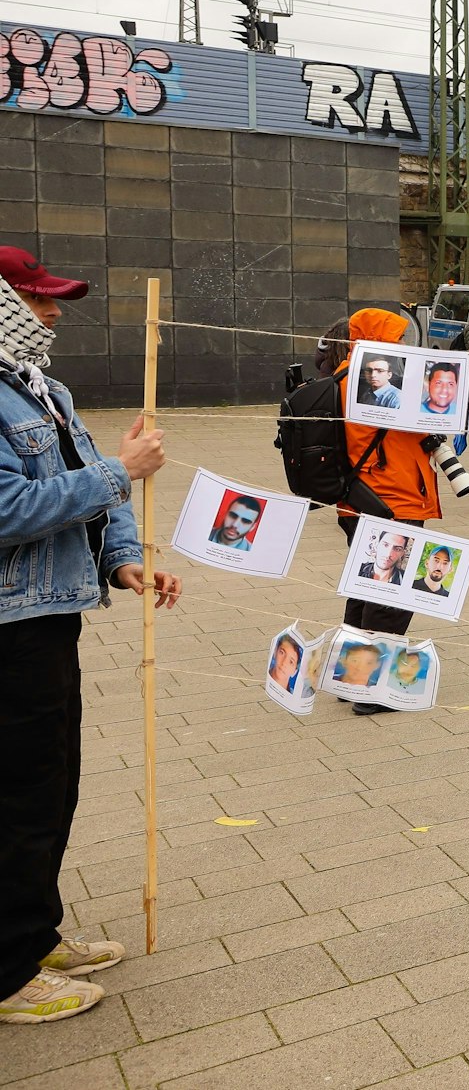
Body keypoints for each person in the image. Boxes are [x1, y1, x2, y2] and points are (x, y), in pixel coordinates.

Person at [0, 250, 181, 1025]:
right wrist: (119, 468)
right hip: (8, 629)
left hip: (50, 617)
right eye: (40, 301)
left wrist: (126, 561)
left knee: (53, 787)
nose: (55, 313)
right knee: (17, 799)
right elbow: (9, 510)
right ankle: (8, 971)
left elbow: (89, 499)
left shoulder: (45, 389)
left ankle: (34, 934)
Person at [325, 306, 442, 717]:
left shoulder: (340, 377)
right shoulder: (389, 381)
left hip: (354, 499)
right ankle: (373, 688)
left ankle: (350, 677)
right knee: (392, 591)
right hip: (394, 499)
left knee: (365, 585)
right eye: (398, 338)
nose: (405, 346)